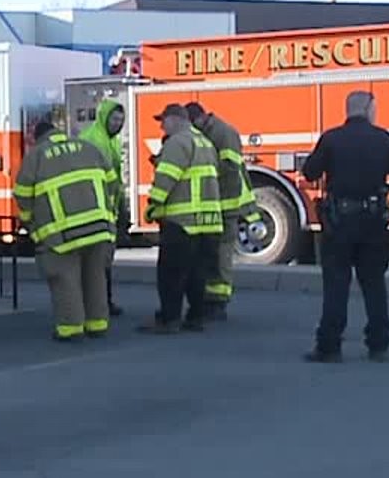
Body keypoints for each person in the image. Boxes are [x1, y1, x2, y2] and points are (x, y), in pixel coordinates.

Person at [301, 90, 389, 363]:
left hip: (339, 222)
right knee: (373, 284)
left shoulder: (332, 138)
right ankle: (378, 344)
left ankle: (329, 346)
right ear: (370, 109)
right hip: (373, 221)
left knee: (336, 284)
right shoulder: (384, 139)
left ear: (348, 109)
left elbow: (310, 172)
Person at [14, 117, 119, 343]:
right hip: (99, 227)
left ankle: (71, 329)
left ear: (37, 137)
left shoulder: (37, 156)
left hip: (61, 233)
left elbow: (22, 194)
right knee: (95, 276)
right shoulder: (89, 148)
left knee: (66, 279)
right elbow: (112, 182)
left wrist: (31, 224)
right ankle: (98, 324)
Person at [140, 104, 223, 334]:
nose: (161, 126)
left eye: (163, 121)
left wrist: (153, 205)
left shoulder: (178, 142)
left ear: (175, 119)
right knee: (197, 275)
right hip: (207, 223)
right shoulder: (205, 142)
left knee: (170, 275)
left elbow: (167, 178)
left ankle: (169, 320)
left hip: (182, 221)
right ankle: (195, 317)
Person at [185, 101, 262, 321]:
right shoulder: (210, 132)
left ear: (199, 119)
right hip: (215, 203)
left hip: (225, 204)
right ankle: (210, 299)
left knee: (221, 254)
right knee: (211, 254)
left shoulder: (223, 133)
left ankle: (219, 302)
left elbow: (228, 168)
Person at [77, 98, 129, 317]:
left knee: (104, 262)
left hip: (108, 210)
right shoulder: (92, 139)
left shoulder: (110, 140)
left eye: (121, 120)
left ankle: (103, 302)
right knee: (98, 262)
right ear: (104, 117)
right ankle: (99, 304)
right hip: (95, 210)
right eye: (114, 119)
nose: (118, 123)